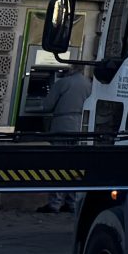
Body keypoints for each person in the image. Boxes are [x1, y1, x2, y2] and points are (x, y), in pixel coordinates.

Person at [38, 62, 93, 211]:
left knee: (58, 165)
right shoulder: (89, 84)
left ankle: (54, 203)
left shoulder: (63, 82)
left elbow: (47, 106)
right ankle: (71, 202)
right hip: (81, 127)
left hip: (62, 125)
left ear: (71, 69)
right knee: (74, 167)